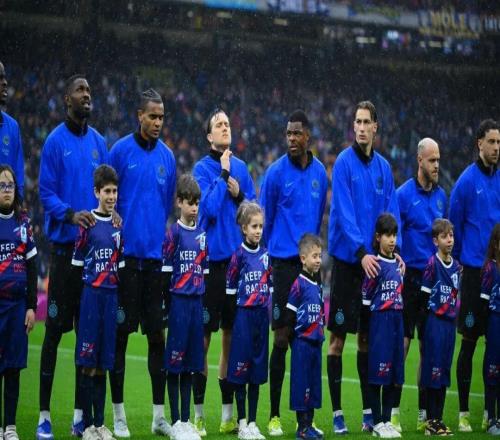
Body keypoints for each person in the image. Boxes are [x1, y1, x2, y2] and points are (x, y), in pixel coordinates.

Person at [37, 74, 109, 440]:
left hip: (93, 258)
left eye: (89, 90)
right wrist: (70, 214)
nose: (87, 94)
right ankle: (44, 415)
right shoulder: (54, 141)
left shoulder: (99, 143)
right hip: (65, 253)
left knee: (87, 336)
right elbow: (45, 192)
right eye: (80, 90)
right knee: (53, 333)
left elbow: (108, 190)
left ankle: (80, 417)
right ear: (67, 99)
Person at [327, 101, 402, 434]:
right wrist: (361, 252)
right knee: (337, 340)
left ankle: (369, 411)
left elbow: (390, 215)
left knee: (366, 341)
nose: (360, 127)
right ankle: (337, 412)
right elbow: (343, 213)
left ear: (375, 127)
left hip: (375, 266)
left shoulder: (384, 168)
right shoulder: (343, 163)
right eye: (356, 121)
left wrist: (394, 251)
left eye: (365, 122)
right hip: (349, 263)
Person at [109, 88, 176, 438]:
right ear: (139, 115)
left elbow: (166, 205)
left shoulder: (168, 157)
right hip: (125, 261)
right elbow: (105, 199)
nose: (157, 122)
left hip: (153, 263)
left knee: (156, 339)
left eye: (161, 117)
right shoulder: (119, 151)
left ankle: (158, 417)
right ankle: (118, 415)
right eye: (152, 116)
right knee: (120, 338)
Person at [259, 110, 327, 436]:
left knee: (307, 340)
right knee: (282, 338)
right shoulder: (275, 173)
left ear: (308, 136)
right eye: (288, 134)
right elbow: (266, 220)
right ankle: (274, 414)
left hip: (309, 268)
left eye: (297, 133)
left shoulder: (320, 173)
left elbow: (318, 216)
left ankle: (305, 417)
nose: (291, 139)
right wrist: (274, 256)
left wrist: (311, 258)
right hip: (284, 265)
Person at [192, 108, 256, 436]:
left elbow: (254, 214)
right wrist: (223, 175)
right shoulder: (202, 170)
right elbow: (208, 210)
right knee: (203, 339)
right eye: (219, 124)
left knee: (231, 340)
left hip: (237, 267)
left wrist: (240, 193)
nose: (225, 127)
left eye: (228, 123)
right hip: (210, 268)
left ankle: (228, 415)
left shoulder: (242, 169)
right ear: (209, 136)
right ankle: (198, 415)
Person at [449, 119, 500, 432]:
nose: (496, 148)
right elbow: (453, 226)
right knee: (468, 343)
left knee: (495, 346)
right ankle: (465, 412)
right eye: (491, 142)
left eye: (499, 143)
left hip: (498, 275)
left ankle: (490, 412)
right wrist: (458, 264)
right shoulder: (466, 182)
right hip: (472, 275)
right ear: (479, 143)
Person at [394, 137, 447, 432]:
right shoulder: (403, 195)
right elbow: (394, 237)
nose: (437, 165)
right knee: (402, 345)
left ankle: (424, 415)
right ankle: (393, 412)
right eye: (432, 160)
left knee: (428, 349)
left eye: (438, 160)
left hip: (433, 282)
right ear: (419, 161)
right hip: (409, 280)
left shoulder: (442, 197)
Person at [72, 165, 124, 440]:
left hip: (111, 297)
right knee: (88, 363)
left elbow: (120, 265)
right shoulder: (87, 224)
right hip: (91, 297)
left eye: (114, 191)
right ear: (96, 192)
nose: (111, 196)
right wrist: (76, 307)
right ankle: (87, 425)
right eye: (107, 191)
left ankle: (101, 424)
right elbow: (77, 266)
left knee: (104, 363)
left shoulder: (118, 225)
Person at [162, 175, 207, 440]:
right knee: (174, 363)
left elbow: (205, 270)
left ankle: (187, 420)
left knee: (190, 364)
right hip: (178, 302)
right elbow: (166, 272)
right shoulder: (174, 233)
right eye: (190, 203)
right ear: (179, 202)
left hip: (196, 304)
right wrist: (167, 307)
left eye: (197, 203)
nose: (194, 208)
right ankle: (176, 421)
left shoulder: (201, 235)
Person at [226, 202, 271, 440]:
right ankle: (242, 423)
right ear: (244, 228)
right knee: (241, 371)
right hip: (244, 317)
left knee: (256, 372)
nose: (258, 231)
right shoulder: (238, 256)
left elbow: (269, 286)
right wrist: (235, 318)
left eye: (261, 226)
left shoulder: (265, 256)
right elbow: (230, 290)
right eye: (254, 226)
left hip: (261, 318)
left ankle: (253, 422)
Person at [0, 165, 37, 440]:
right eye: (2, 185)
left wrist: (31, 306)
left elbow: (32, 267)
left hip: (16, 308)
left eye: (10, 185)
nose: (6, 190)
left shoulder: (23, 224)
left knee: (13, 368)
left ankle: (10, 427)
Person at [361, 213, 403, 439]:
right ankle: (377, 422)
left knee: (393, 376)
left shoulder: (399, 263)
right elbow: (366, 300)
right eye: (387, 235)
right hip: (380, 322)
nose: (392, 239)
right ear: (378, 237)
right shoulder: (374, 265)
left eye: (394, 235)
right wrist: (366, 330)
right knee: (378, 374)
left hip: (397, 320)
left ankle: (387, 420)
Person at [420, 219, 461, 436]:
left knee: (444, 372)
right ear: (436, 241)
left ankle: (439, 419)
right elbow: (424, 298)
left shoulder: (456, 267)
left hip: (449, 325)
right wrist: (425, 329)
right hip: (434, 323)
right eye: (444, 237)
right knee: (433, 371)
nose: (449, 240)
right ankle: (431, 421)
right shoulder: (431, 264)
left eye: (451, 235)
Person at [285, 234, 324, 440]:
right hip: (302, 344)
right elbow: (289, 316)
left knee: (313, 385)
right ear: (303, 258)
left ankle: (310, 425)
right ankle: (301, 427)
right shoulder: (298, 284)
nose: (318, 260)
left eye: (320, 256)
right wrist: (295, 341)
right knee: (302, 386)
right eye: (314, 256)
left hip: (316, 344)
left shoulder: (317, 284)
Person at [480, 223, 500, 435]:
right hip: (495, 322)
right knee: (492, 371)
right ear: (496, 244)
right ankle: (491, 418)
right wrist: (487, 331)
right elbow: (484, 304)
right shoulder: (490, 268)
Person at [0, 62, 25, 198]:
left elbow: (18, 175)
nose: (5, 82)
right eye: (0, 78)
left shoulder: (13, 126)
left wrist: (19, 203)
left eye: (4, 77)